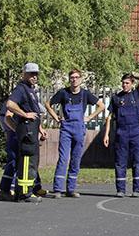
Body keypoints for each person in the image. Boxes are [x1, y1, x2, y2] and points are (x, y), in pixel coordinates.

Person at [44, 69, 105, 198]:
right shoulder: (63, 93)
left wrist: (89, 117)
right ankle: (58, 189)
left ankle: (71, 189)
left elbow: (101, 106)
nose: (74, 79)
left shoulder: (85, 94)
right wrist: (56, 118)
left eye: (77, 77)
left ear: (81, 79)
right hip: (66, 129)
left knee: (76, 159)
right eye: (72, 77)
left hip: (79, 129)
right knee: (63, 158)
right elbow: (47, 104)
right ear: (69, 79)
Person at [4, 62, 47, 202]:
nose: (34, 77)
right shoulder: (21, 89)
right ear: (24, 74)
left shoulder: (31, 90)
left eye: (36, 74)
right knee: (27, 161)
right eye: (31, 74)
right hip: (26, 132)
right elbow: (10, 104)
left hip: (32, 131)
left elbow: (35, 113)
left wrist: (40, 128)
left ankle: (26, 191)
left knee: (32, 162)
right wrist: (24, 114)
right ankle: (24, 194)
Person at [103, 72, 139, 197]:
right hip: (121, 133)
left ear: (132, 84)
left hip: (135, 133)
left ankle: (137, 190)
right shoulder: (116, 98)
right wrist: (106, 135)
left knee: (137, 161)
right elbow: (109, 117)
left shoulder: (136, 94)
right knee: (120, 162)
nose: (124, 85)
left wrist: (134, 74)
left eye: (127, 83)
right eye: (123, 83)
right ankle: (120, 190)